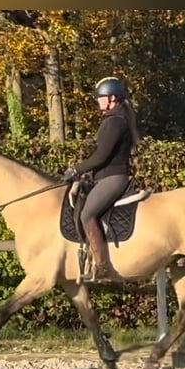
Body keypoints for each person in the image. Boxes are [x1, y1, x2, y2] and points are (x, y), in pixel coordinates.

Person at [61, 76, 141, 281]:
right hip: (106, 176)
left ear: (112, 98)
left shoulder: (115, 122)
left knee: (87, 215)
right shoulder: (114, 119)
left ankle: (103, 266)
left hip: (114, 178)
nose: (98, 101)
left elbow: (101, 156)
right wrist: (88, 174)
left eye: (101, 97)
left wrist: (75, 169)